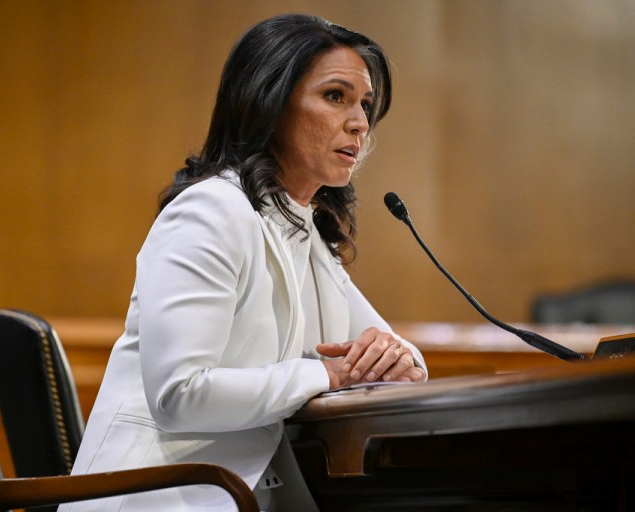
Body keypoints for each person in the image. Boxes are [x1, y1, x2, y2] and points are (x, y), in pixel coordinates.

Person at [59, 13, 426, 512]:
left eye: (365, 104)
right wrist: (328, 375)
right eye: (335, 96)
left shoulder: (305, 232)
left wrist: (398, 358)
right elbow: (179, 395)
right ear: (268, 102)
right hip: (154, 499)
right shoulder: (210, 211)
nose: (360, 122)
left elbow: (398, 356)